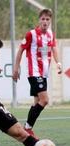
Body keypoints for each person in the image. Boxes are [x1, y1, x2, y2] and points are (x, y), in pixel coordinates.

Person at [13, 9, 62, 137]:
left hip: (43, 73)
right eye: (43, 19)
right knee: (45, 100)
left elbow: (54, 48)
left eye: (47, 19)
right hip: (34, 72)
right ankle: (27, 128)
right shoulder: (31, 34)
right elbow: (20, 50)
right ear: (39, 20)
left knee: (36, 102)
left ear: (50, 21)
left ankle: (28, 129)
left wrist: (58, 63)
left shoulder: (51, 34)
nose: (45, 21)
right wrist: (16, 68)